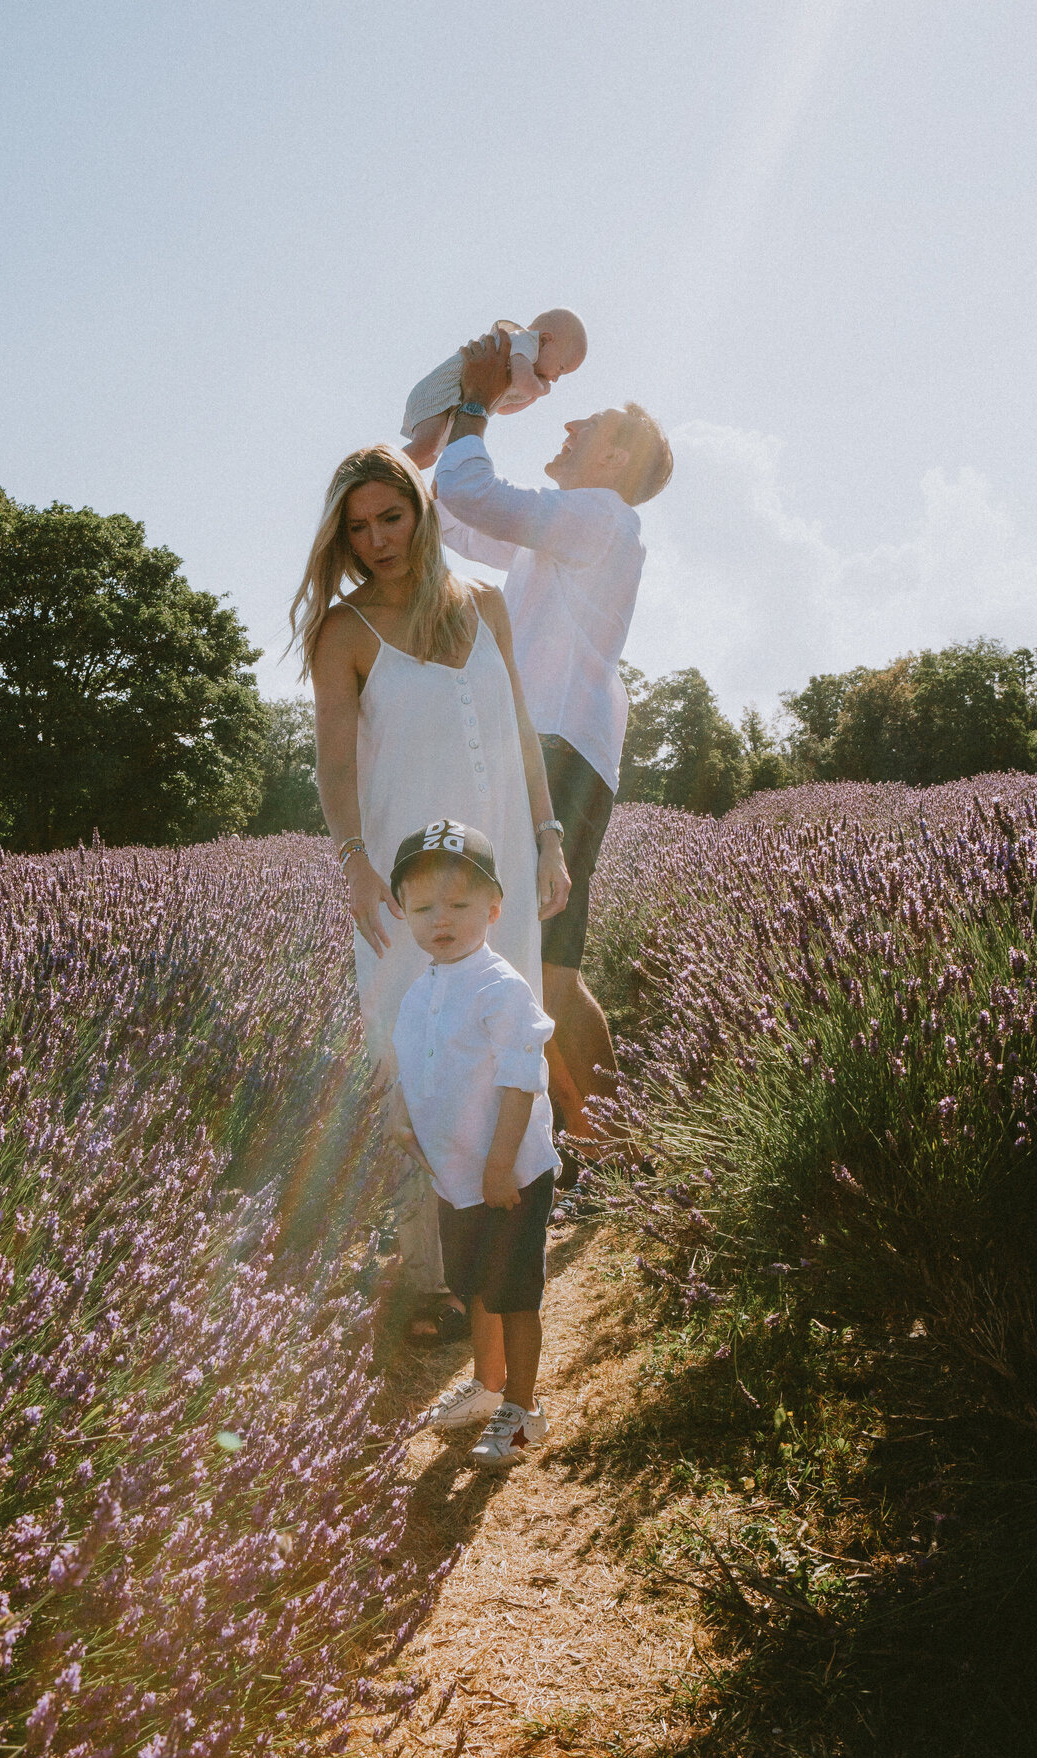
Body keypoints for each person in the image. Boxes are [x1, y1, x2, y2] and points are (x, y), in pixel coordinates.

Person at [290, 444, 570, 1337]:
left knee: (505, 1047)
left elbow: (522, 733)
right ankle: (428, 1273)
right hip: (402, 885)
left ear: (420, 510)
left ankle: (507, 1263)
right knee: (414, 1061)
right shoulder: (345, 631)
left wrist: (549, 836)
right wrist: (350, 859)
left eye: (391, 517)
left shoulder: (485, 603)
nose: (376, 540)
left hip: (503, 877)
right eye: (358, 526)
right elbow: (334, 761)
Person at [434, 331, 673, 1157]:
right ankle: (602, 1148)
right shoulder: (573, 529)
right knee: (537, 964)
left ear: (618, 458)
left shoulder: (601, 518)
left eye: (590, 424)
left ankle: (620, 1152)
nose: (567, 427)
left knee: (552, 971)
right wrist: (469, 407)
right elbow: (456, 516)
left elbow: (472, 494)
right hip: (544, 746)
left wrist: (478, 399)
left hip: (558, 749)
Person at [388, 822, 558, 1469]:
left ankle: (523, 1410)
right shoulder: (421, 990)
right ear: (404, 912)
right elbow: (413, 1063)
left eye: (459, 905)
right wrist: (401, 1114)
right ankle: (488, 1388)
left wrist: (497, 1165)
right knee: (476, 1287)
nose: (442, 920)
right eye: (425, 906)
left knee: (515, 1294)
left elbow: (520, 1080)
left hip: (507, 1173)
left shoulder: (501, 987)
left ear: (492, 908)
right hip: (455, 1175)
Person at [401, 309, 587, 470]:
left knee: (429, 458)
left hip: (454, 406)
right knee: (425, 446)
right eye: (561, 368)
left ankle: (391, 478)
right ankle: (376, 465)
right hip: (441, 391)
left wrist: (530, 398)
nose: (555, 378)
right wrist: (539, 389)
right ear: (546, 340)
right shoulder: (525, 341)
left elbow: (503, 408)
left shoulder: (519, 364)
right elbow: (524, 381)